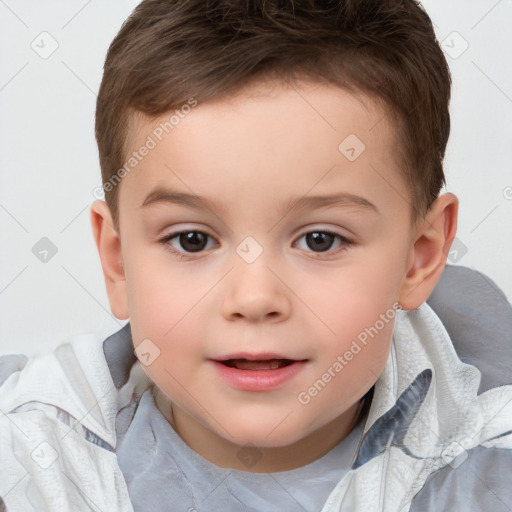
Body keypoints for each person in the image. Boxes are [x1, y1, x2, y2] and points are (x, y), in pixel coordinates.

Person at [1, 1, 511, 510]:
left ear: (418, 257)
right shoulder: (27, 461)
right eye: (192, 240)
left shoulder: (488, 467)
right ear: (118, 263)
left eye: (320, 240)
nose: (254, 298)